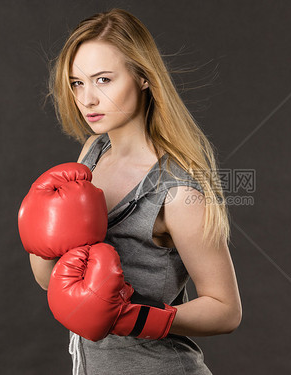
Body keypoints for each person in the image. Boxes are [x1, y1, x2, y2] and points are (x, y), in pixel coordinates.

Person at [29, 8, 242, 375]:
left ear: (143, 77)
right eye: (77, 83)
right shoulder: (93, 153)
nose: (87, 99)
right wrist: (39, 243)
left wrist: (139, 318)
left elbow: (226, 309)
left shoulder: (177, 189)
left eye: (104, 80)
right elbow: (53, 281)